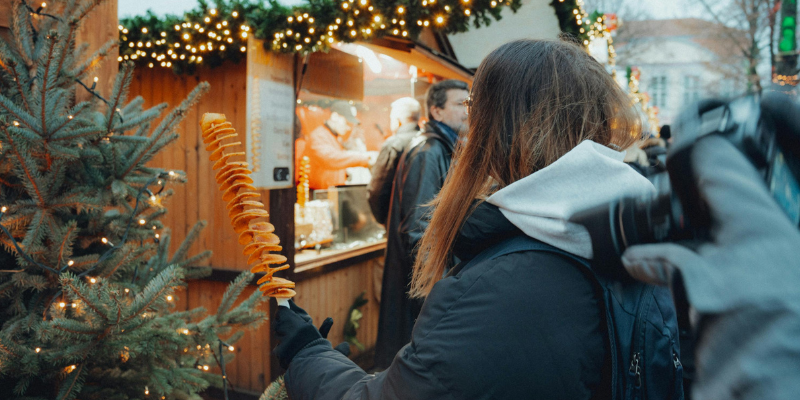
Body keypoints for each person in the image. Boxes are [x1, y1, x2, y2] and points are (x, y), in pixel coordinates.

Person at [271, 39, 653, 399]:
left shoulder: (502, 285)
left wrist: (305, 353)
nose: (468, 123)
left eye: (474, 108)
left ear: (500, 130)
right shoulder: (639, 236)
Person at [373, 79, 469, 370]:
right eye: (460, 104)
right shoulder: (429, 152)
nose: (468, 111)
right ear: (436, 112)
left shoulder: (446, 147)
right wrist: (438, 291)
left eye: (469, 103)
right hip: (425, 290)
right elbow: (419, 229)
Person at [367, 97, 422, 225]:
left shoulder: (394, 144)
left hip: (399, 222)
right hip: (423, 221)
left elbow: (377, 191)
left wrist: (386, 221)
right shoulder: (428, 141)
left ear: (398, 121)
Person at [303, 101, 372, 190]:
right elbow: (330, 159)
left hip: (331, 193)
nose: (348, 128)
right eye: (346, 122)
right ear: (335, 116)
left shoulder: (334, 137)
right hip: (318, 195)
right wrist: (363, 159)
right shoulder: (318, 136)